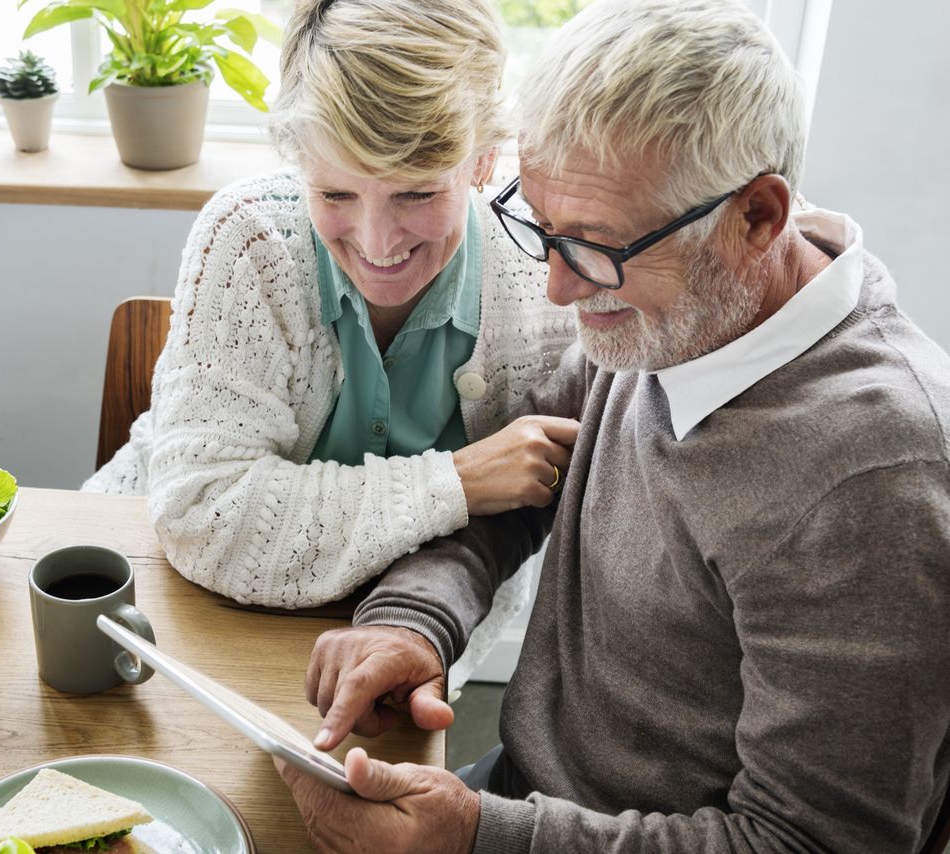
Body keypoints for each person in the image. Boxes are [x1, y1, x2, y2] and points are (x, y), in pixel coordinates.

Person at [277, 0, 950, 851]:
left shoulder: (884, 487)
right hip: (520, 800)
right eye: (539, 228)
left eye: (593, 246)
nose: (558, 288)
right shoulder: (681, 308)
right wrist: (410, 620)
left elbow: (808, 842)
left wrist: (480, 838)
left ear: (759, 218)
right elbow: (519, 487)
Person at [84, 0, 579, 687]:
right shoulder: (250, 235)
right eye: (337, 193)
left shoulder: (546, 276)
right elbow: (203, 514)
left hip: (401, 634)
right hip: (164, 598)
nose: (377, 245)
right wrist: (456, 483)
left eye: (415, 193)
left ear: (484, 159)